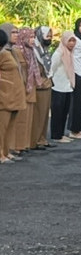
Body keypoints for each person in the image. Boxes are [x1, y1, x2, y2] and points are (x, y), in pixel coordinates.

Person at [13, 27, 43, 154]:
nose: (32, 40)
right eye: (30, 37)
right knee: (20, 119)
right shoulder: (17, 51)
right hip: (22, 88)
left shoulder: (30, 51)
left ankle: (25, 144)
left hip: (30, 88)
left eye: (33, 37)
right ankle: (17, 145)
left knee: (29, 118)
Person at [0, 28, 27, 164]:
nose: (16, 35)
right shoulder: (2, 54)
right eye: (13, 32)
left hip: (14, 94)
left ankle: (6, 151)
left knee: (9, 126)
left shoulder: (11, 52)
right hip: (5, 95)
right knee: (2, 127)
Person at [49, 31, 77, 144]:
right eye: (69, 40)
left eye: (73, 41)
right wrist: (51, 82)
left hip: (67, 87)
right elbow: (51, 69)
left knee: (64, 112)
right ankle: (56, 135)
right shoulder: (59, 53)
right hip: (57, 87)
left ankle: (61, 134)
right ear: (64, 40)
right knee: (57, 113)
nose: (71, 43)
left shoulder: (70, 53)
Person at [32, 26, 54, 149]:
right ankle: (36, 140)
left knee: (45, 114)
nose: (49, 38)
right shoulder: (35, 50)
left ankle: (43, 138)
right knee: (39, 114)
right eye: (47, 36)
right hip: (39, 86)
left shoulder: (44, 49)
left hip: (47, 84)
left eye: (51, 36)